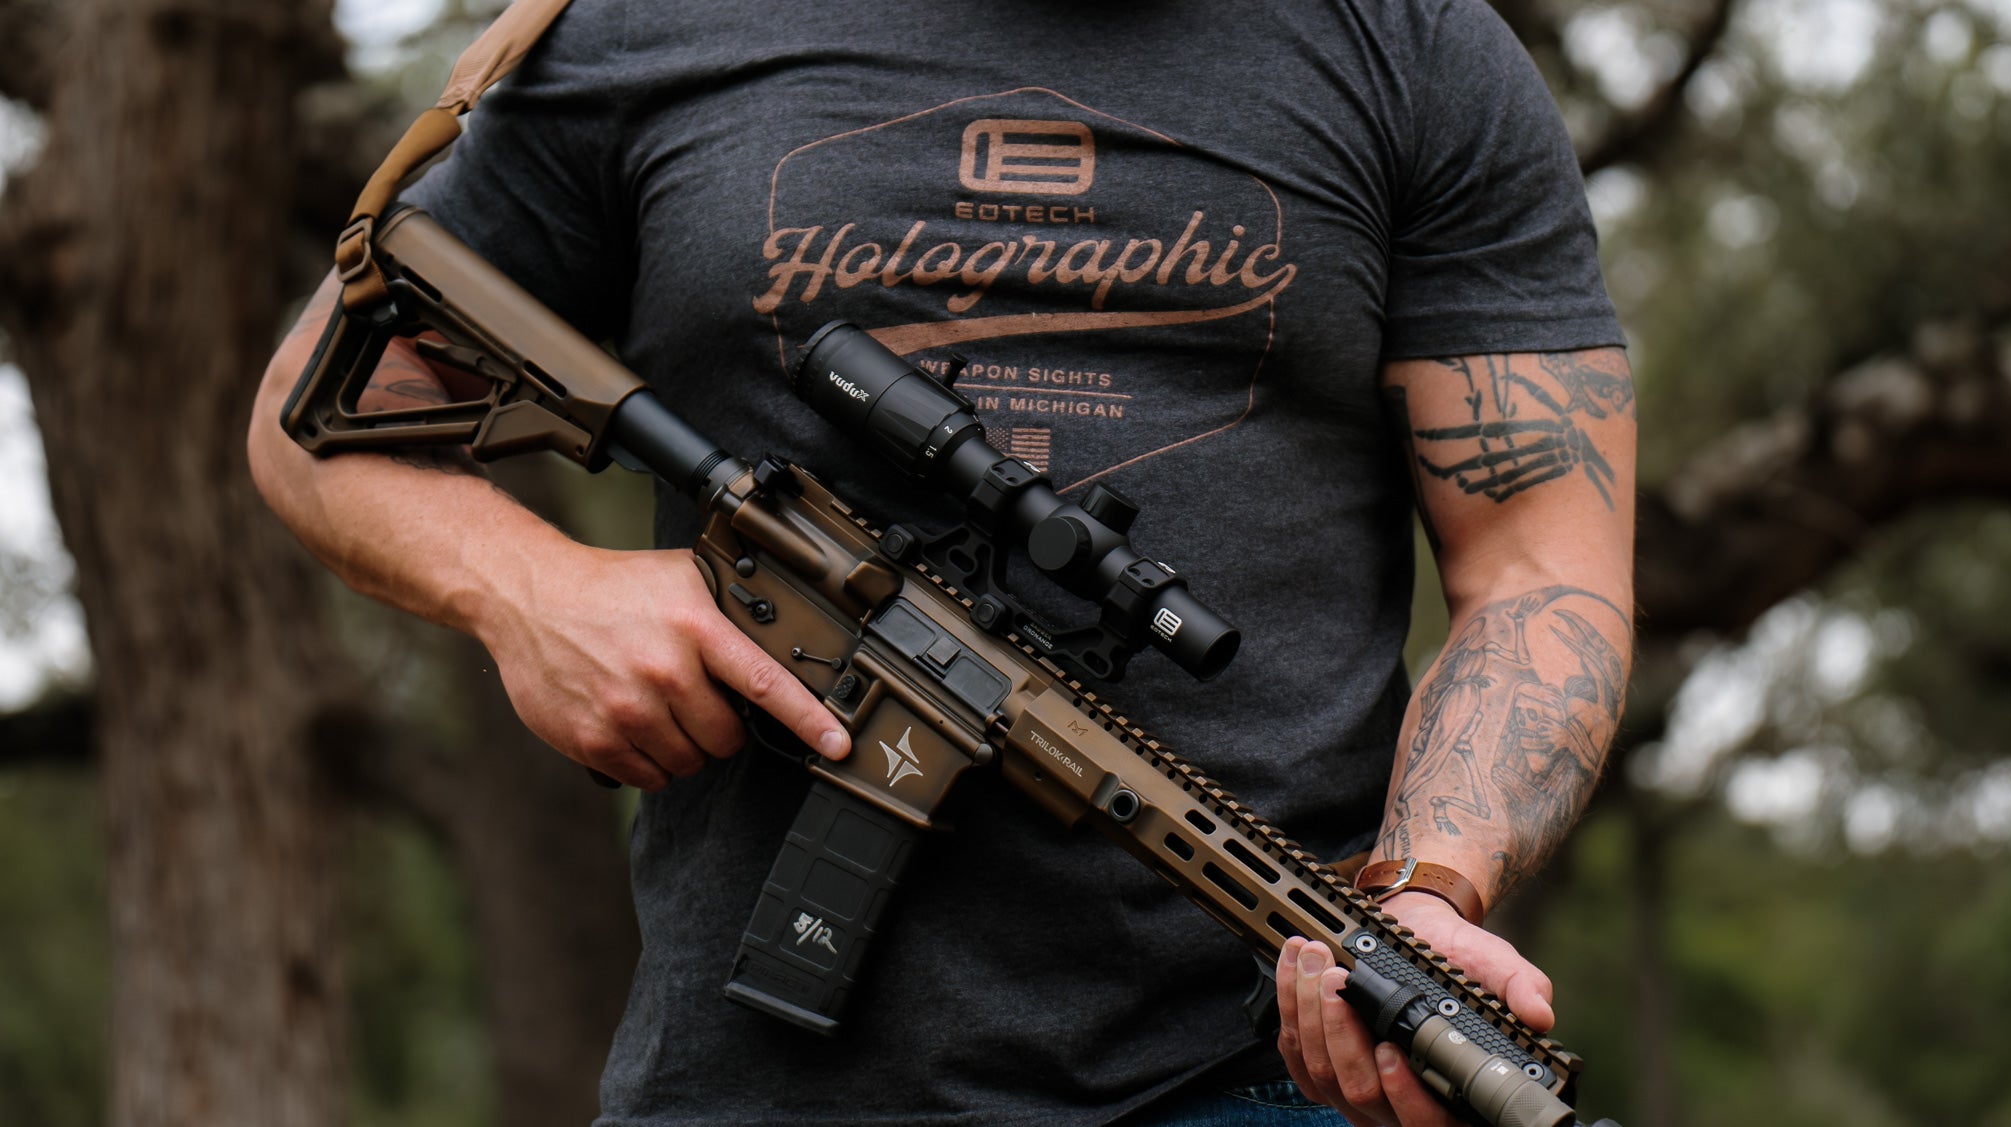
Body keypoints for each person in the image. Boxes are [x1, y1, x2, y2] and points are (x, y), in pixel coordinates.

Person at [249, 1, 1635, 1124]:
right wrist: (536, 590)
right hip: (754, 1094)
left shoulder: (1413, 46)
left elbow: (1539, 567)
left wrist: (1424, 898)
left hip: (1265, 1072)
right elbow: (312, 419)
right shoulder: (640, 27)